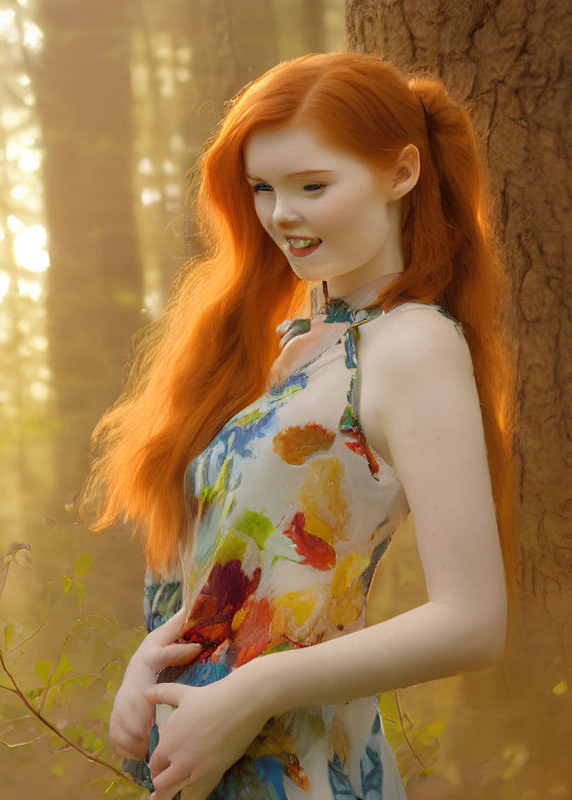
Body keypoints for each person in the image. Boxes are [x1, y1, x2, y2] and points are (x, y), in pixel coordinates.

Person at [82, 52, 513, 800]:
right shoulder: (274, 348)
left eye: (313, 186)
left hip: (307, 770)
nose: (282, 214)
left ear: (401, 173)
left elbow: (472, 621)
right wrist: (146, 663)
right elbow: (219, 576)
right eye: (262, 188)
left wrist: (255, 691)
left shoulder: (412, 346)